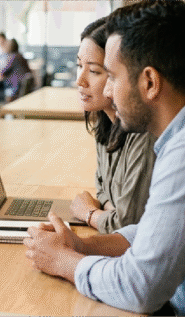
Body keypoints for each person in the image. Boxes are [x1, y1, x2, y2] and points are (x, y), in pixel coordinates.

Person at [24, 0, 185, 315]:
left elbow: (139, 287)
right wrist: (83, 246)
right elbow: (159, 231)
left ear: (149, 82)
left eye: (111, 76)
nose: (107, 91)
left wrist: (64, 261)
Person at [70, 17, 156, 234]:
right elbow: (101, 189)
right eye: (79, 65)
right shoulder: (104, 122)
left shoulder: (143, 132)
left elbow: (127, 225)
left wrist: (90, 214)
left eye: (95, 71)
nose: (80, 80)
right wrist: (111, 211)